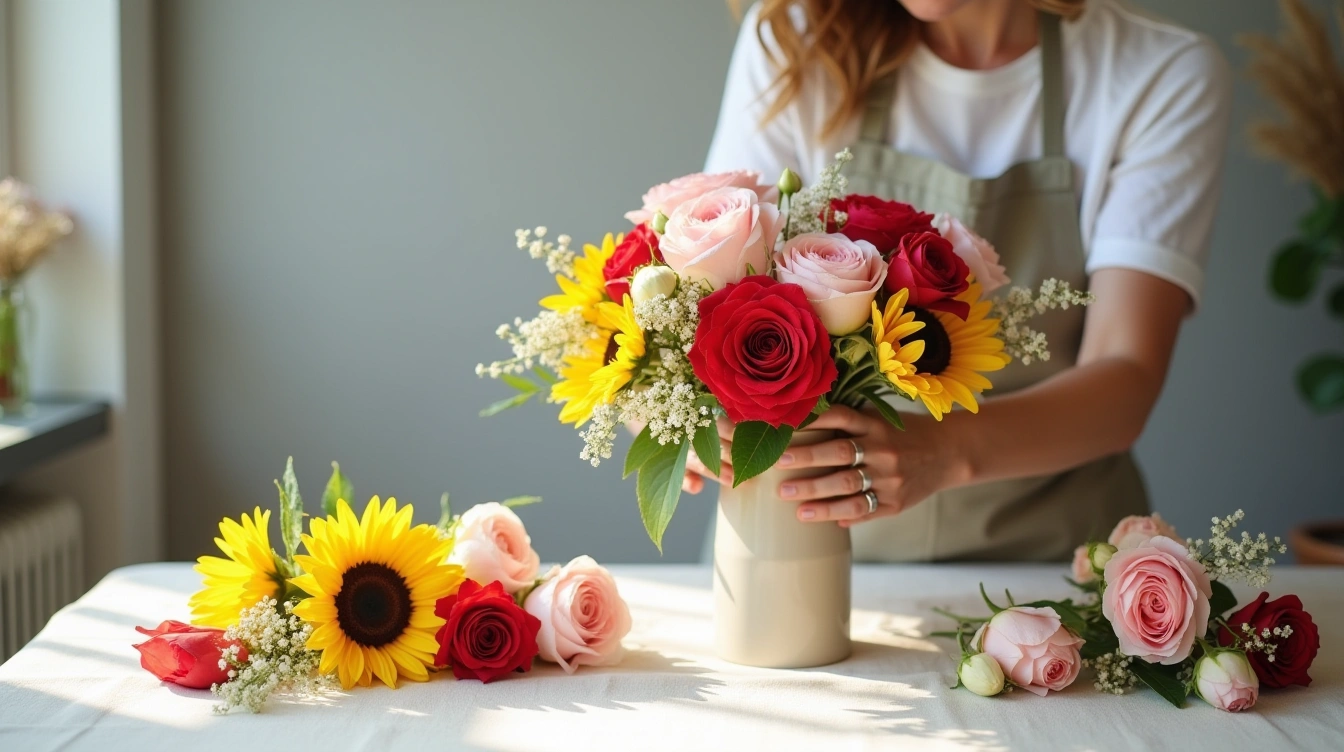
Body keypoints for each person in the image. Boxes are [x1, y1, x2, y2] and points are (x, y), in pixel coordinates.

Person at [684, 0, 1232, 561]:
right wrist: (672, 412)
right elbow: (699, 288)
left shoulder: (1157, 72)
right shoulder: (798, 39)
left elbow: (1126, 371)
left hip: (1057, 564)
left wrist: (945, 450)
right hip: (804, 554)